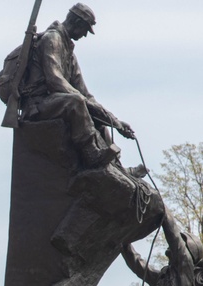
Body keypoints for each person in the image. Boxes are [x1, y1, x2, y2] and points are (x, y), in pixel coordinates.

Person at [18, 3, 135, 168]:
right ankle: (91, 153)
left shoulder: (69, 52)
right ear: (77, 23)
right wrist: (83, 101)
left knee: (97, 117)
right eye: (86, 30)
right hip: (37, 106)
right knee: (76, 102)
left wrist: (113, 120)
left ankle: (116, 168)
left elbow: (86, 94)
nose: (85, 35)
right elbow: (55, 80)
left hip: (55, 103)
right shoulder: (52, 39)